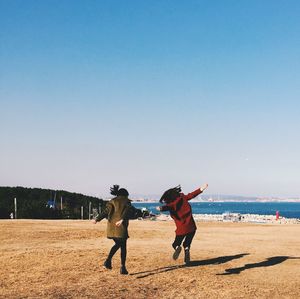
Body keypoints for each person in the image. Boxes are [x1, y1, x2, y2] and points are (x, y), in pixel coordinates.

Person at [92, 185, 142, 275]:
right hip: (120, 227)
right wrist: (122, 219)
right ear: (125, 195)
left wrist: (97, 219)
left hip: (111, 228)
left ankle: (109, 262)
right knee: (122, 246)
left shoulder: (112, 201)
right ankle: (120, 266)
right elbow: (127, 210)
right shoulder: (126, 201)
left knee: (118, 244)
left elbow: (106, 211)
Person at [156, 183, 208, 264]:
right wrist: (201, 188)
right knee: (187, 243)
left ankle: (177, 247)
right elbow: (192, 195)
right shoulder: (183, 198)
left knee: (175, 244)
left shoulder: (172, 204)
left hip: (182, 229)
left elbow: (168, 207)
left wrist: (161, 208)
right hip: (192, 227)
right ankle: (186, 250)